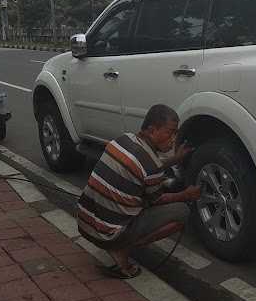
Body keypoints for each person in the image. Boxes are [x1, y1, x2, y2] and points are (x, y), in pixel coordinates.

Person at [77, 104, 201, 278]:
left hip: (84, 223)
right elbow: (157, 198)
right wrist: (186, 195)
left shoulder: (123, 140)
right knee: (182, 212)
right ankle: (121, 249)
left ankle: (116, 240)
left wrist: (174, 159)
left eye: (176, 133)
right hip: (106, 235)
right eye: (170, 132)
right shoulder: (152, 167)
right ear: (151, 130)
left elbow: (144, 170)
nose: (174, 139)